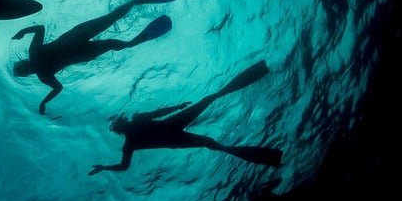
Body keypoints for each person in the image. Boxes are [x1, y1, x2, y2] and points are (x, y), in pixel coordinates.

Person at [89, 60, 283, 174]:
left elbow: (124, 166)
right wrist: (105, 168)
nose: (121, 124)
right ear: (121, 126)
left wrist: (178, 106)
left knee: (211, 130)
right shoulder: (131, 140)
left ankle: (258, 71)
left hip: (173, 130)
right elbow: (124, 166)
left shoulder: (131, 139)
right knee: (211, 137)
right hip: (174, 131)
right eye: (119, 124)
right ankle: (269, 157)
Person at [12, 0, 178, 114]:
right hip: (79, 46)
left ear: (26, 69)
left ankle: (138, 6)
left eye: (21, 67)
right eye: (21, 68)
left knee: (113, 24)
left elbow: (40, 29)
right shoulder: (40, 69)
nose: (25, 67)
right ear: (25, 69)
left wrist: (44, 102)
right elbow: (40, 29)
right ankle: (138, 21)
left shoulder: (39, 65)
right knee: (116, 35)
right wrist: (22, 32)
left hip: (78, 41)